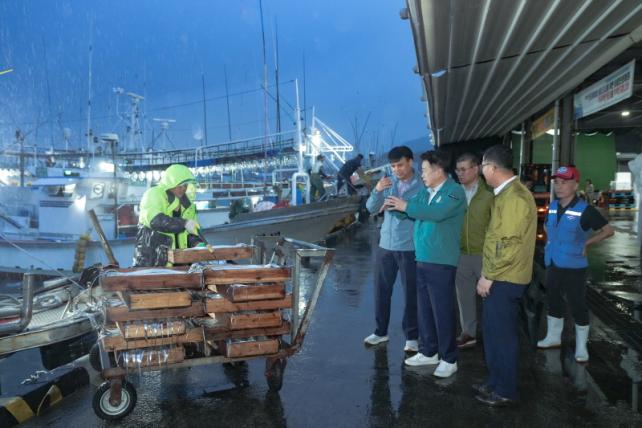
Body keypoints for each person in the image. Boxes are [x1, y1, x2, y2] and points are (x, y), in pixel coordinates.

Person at [385, 150, 466, 378]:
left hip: (441, 260)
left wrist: (405, 207)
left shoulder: (454, 192)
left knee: (442, 310)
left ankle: (449, 358)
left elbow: (436, 213)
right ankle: (429, 351)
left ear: (438, 170)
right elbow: (410, 209)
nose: (422, 174)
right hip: (421, 257)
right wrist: (393, 206)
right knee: (425, 309)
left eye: (424, 170)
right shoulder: (426, 192)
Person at [474, 145, 536, 407]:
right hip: (501, 275)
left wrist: (488, 275)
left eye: (482, 167)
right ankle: (495, 381)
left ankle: (505, 390)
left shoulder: (514, 198)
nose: (481, 172)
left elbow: (508, 245)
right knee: (492, 333)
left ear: (492, 168)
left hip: (505, 278)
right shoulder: (506, 194)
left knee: (502, 335)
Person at [537, 166, 614, 362]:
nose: (559, 186)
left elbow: (608, 231)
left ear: (575, 185)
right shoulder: (553, 206)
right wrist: (551, 239)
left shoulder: (585, 210)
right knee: (553, 299)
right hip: (553, 262)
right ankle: (553, 338)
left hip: (574, 267)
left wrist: (586, 243)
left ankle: (581, 347)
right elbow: (547, 225)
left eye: (564, 183)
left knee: (577, 304)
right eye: (557, 183)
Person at [363, 146, 423, 352]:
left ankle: (412, 336)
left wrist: (401, 206)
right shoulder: (387, 181)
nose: (397, 170)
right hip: (386, 245)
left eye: (400, 165)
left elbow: (422, 212)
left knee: (411, 293)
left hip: (410, 246)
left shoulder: (423, 183)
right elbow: (371, 208)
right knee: (381, 291)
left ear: (411, 162)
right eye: (394, 166)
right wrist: (377, 189)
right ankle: (380, 332)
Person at [454, 153, 493, 349]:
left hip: (484, 254)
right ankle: (468, 333)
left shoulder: (490, 193)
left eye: (463, 169)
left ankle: (493, 335)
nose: (459, 173)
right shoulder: (454, 193)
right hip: (461, 254)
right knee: (464, 298)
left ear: (476, 169)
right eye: (457, 170)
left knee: (491, 298)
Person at [133, 164, 203, 267]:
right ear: (170, 182)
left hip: (181, 263)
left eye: (185, 185)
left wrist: (197, 243)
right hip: (152, 262)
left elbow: (189, 233)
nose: (183, 188)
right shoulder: (154, 194)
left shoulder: (188, 205)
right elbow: (155, 220)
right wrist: (184, 223)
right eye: (180, 185)